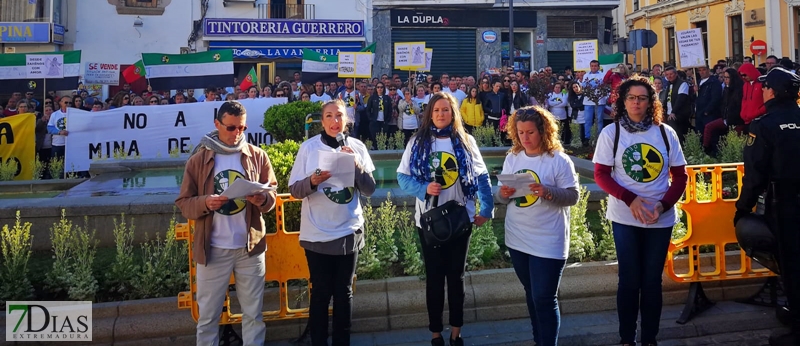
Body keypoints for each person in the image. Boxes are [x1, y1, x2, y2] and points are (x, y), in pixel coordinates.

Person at [592, 76, 688, 346]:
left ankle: (649, 339)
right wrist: (630, 199)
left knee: (651, 282)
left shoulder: (665, 133)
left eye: (642, 98)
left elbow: (680, 177)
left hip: (660, 217)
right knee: (629, 280)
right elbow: (601, 174)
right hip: (625, 217)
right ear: (623, 101)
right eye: (631, 98)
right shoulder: (611, 133)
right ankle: (626, 339)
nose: (636, 103)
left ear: (650, 102)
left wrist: (662, 204)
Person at [174, 100, 278, 346]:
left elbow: (272, 194)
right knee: (208, 317)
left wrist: (262, 198)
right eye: (231, 128)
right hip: (213, 250)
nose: (237, 134)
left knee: (253, 315)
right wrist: (204, 203)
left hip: (249, 249)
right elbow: (183, 202)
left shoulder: (257, 155)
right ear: (217, 124)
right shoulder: (198, 160)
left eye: (241, 128)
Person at [396, 92, 494, 346]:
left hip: (460, 220)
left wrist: (486, 209)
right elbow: (403, 177)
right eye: (437, 110)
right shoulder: (417, 142)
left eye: (446, 110)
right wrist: (423, 189)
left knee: (457, 278)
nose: (441, 114)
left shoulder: (466, 141)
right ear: (430, 113)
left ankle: (456, 332)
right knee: (435, 278)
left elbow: (482, 177)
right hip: (428, 222)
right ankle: (436, 333)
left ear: (453, 113)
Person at [288, 99, 376, 346]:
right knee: (320, 293)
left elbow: (369, 190)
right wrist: (313, 181)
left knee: (344, 293)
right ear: (322, 120)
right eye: (328, 116)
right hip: (317, 233)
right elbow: (295, 190)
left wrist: (357, 167)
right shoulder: (308, 148)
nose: (334, 121)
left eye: (339, 116)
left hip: (348, 230)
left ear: (346, 120)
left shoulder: (357, 147)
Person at [495, 106, 579, 346]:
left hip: (548, 238)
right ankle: (538, 340)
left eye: (530, 132)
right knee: (532, 295)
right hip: (518, 237)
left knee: (544, 297)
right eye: (520, 132)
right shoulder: (513, 157)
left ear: (543, 131)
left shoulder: (558, 160)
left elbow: (573, 196)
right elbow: (502, 197)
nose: (525, 138)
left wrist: (548, 192)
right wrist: (504, 193)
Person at [734, 67, 800, 346]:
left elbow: (755, 176)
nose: (761, 89)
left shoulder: (764, 125)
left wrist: (742, 208)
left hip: (786, 205)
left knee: (793, 264)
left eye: (764, 86)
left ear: (772, 91)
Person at [703, 68, 744, 155]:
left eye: (727, 78)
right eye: (724, 77)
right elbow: (723, 104)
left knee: (733, 143)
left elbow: (738, 107)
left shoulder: (739, 90)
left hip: (736, 121)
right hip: (725, 118)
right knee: (708, 127)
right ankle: (705, 150)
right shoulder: (726, 89)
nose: (725, 80)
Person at [664, 66, 692, 143]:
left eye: (671, 74)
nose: (669, 76)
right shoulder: (669, 85)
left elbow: (681, 99)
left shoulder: (683, 84)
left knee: (678, 135)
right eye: (667, 75)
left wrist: (673, 112)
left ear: (676, 74)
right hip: (669, 113)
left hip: (678, 114)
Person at [568, 82, 587, 146]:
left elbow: (583, 104)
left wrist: (579, 104)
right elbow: (573, 105)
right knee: (577, 131)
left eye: (576, 86)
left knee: (584, 130)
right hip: (575, 115)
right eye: (573, 87)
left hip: (584, 114)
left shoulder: (585, 95)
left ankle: (585, 143)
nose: (575, 88)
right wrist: (580, 103)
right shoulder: (571, 96)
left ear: (579, 86)